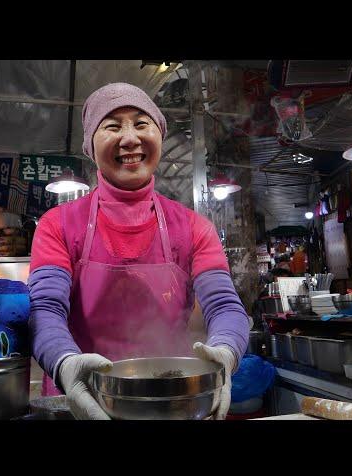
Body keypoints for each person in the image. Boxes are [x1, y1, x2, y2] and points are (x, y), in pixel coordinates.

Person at [28, 83, 249, 420]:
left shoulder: (193, 228)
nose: (130, 138)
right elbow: (44, 309)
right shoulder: (58, 224)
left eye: (142, 124)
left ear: (159, 135)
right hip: (80, 400)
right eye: (112, 126)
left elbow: (224, 306)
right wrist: (65, 364)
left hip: (170, 401)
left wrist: (225, 352)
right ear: (90, 145)